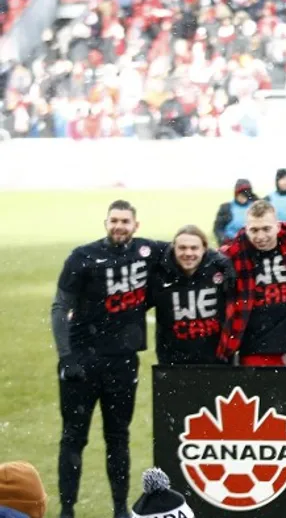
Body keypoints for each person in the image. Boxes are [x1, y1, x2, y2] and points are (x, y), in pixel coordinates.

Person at [51, 201, 167, 518]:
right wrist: (66, 357)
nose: (119, 226)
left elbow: (189, 249)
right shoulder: (82, 257)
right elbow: (60, 307)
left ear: (136, 225)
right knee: (73, 438)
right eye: (114, 220)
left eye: (125, 221)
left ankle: (119, 509)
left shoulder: (149, 251)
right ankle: (67, 510)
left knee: (118, 438)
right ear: (106, 222)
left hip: (123, 362)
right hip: (83, 362)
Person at [216, 200, 286, 367]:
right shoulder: (234, 254)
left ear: (278, 226)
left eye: (266, 229)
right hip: (253, 344)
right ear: (245, 228)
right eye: (254, 230)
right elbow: (202, 257)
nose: (261, 236)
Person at [149, 225, 233, 365]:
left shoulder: (220, 271)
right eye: (182, 248)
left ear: (204, 249)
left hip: (217, 362)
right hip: (173, 363)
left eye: (194, 248)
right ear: (173, 248)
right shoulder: (160, 276)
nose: (188, 253)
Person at [212, 179, 256, 245]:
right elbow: (218, 229)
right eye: (240, 195)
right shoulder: (226, 208)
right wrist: (224, 239)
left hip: (250, 245)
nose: (243, 198)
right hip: (230, 244)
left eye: (245, 195)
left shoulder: (255, 207)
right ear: (236, 194)